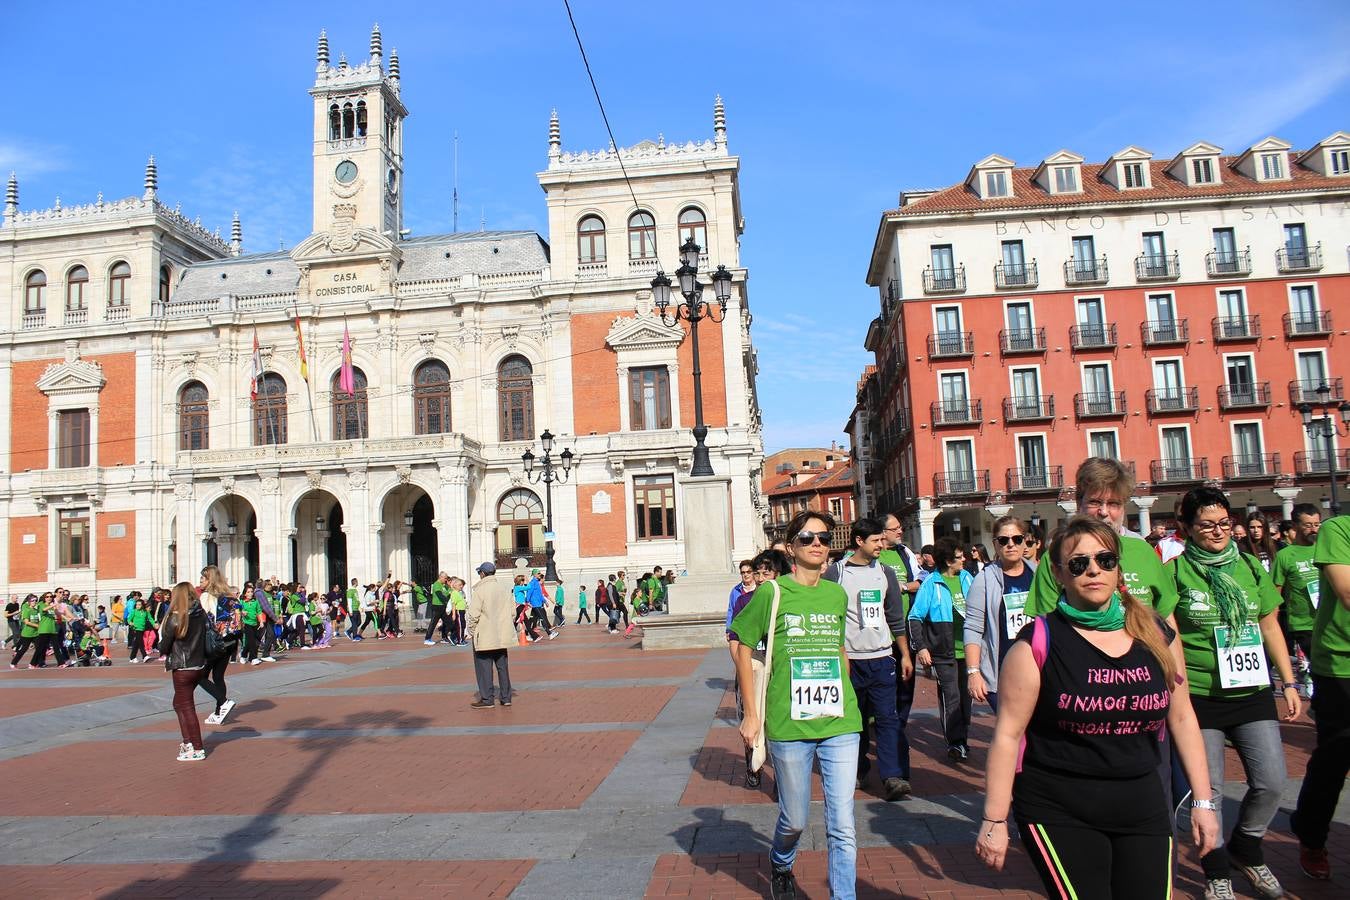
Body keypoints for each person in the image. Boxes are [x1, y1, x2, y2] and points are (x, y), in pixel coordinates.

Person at [975, 516, 1219, 897]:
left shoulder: (1155, 632)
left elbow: (1183, 716)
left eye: (1105, 560)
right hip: (1059, 805)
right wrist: (994, 818)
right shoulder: (1037, 643)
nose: (1093, 570)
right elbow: (1008, 735)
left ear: (1118, 566)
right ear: (1058, 574)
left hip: (1142, 800)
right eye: (1078, 563)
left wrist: (1203, 801)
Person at [1160, 486, 1300, 900]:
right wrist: (1177, 685)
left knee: (1273, 781)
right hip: (1200, 696)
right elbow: (1170, 633)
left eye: (1224, 523)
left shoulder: (1251, 569)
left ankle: (1247, 846)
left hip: (1252, 689)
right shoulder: (1175, 573)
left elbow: (1270, 624)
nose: (1218, 532)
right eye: (1206, 525)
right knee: (1211, 790)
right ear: (1186, 528)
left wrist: (1289, 682)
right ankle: (1216, 869)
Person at [732, 510, 862, 900]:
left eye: (824, 537)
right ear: (791, 548)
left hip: (840, 720)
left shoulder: (837, 593)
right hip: (789, 722)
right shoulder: (772, 592)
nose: (817, 544)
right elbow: (741, 644)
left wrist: (847, 687)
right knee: (795, 818)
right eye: (807, 538)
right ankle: (781, 860)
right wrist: (752, 715)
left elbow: (839, 648)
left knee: (843, 823)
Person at [824, 516, 911, 801]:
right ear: (859, 541)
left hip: (883, 658)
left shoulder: (885, 572)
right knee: (855, 722)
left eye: (881, 540)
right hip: (850, 661)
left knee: (888, 719)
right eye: (875, 540)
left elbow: (895, 617)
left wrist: (905, 655)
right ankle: (859, 769)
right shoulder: (836, 573)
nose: (881, 545)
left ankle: (892, 776)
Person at [1289, 510, 1350, 880]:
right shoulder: (1338, 529)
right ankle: (1312, 835)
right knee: (1336, 756)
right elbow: (1346, 592)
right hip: (1342, 665)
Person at [908, 538, 974, 760]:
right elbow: (915, 617)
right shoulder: (931, 584)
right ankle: (955, 743)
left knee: (966, 698)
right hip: (943, 652)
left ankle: (962, 737)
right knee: (951, 696)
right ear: (948, 560)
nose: (964, 559)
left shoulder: (967, 578)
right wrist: (922, 648)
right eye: (959, 556)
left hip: (969, 650)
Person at [965, 515, 1036, 713]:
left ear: (1025, 542)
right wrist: (973, 672)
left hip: (1036, 668)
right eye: (1004, 540)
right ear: (995, 545)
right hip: (1000, 671)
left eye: (1017, 539)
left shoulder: (1038, 575)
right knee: (1014, 731)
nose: (1011, 545)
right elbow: (973, 627)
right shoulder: (984, 580)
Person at [877, 514, 921, 790]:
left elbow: (918, 582)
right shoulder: (876, 555)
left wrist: (901, 587)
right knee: (886, 689)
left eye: (901, 528)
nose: (900, 532)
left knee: (906, 683)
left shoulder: (905, 553)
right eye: (895, 529)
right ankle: (888, 727)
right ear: (882, 533)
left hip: (904, 628)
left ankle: (898, 724)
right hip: (880, 633)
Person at [158, 582, 210, 761]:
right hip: (199, 664)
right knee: (179, 703)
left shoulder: (176, 617)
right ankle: (188, 742)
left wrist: (162, 647)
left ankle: (196, 747)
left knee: (187, 707)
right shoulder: (200, 613)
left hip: (182, 666)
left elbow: (164, 645)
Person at [1273, 503, 1321, 697]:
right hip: (1303, 624)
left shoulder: (1326, 549)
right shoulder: (1285, 556)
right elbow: (1275, 593)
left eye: (1317, 524)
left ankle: (1319, 702)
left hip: (1330, 621)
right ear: (1295, 526)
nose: (1314, 529)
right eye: (1308, 525)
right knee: (1321, 665)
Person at [466, 562, 515, 708]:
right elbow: (513, 612)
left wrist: (472, 631)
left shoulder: (480, 590)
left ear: (482, 574)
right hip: (501, 635)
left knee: (484, 667)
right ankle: (506, 698)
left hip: (485, 634)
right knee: (502, 667)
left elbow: (474, 614)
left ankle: (487, 699)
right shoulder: (504, 589)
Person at [197, 565, 238, 725]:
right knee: (218, 676)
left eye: (202, 578)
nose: (200, 581)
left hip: (215, 642)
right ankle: (218, 712)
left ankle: (223, 701)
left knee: (200, 677)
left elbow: (204, 620)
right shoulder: (229, 595)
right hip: (230, 640)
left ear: (209, 580)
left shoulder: (206, 596)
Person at [9, 595, 41, 668]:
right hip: (27, 633)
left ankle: (33, 663)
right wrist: (37, 626)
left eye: (36, 600)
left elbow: (39, 620)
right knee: (23, 649)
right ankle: (13, 663)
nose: (34, 602)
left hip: (36, 633)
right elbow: (27, 622)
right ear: (29, 602)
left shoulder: (36, 611)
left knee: (39, 648)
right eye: (33, 600)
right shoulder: (27, 610)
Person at [425, 572, 453, 645]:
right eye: (445, 578)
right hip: (437, 607)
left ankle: (444, 637)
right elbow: (440, 595)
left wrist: (450, 590)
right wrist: (447, 601)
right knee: (433, 623)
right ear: (441, 577)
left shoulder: (443, 585)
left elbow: (448, 593)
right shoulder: (436, 584)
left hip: (443, 607)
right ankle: (427, 639)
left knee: (448, 622)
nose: (446, 580)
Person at [448, 577, 468, 645]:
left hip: (462, 611)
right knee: (459, 626)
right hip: (458, 611)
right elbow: (453, 604)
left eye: (461, 585)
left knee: (462, 625)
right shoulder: (454, 593)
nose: (461, 586)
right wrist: (453, 614)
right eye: (459, 585)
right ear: (455, 586)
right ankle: (459, 641)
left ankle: (461, 638)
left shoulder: (459, 593)